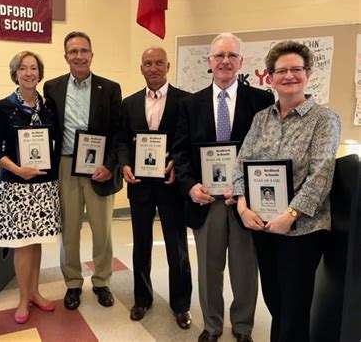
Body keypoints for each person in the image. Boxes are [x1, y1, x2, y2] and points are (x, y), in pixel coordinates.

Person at [232, 40, 340, 342]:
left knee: (294, 308)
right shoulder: (261, 118)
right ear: (270, 77)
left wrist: (291, 214)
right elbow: (241, 165)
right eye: (282, 71)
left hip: (302, 230)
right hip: (263, 225)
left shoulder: (324, 120)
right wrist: (242, 207)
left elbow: (321, 175)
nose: (289, 76)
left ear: (307, 74)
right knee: (275, 302)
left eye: (296, 69)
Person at [172, 33, 275, 342]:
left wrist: (244, 190)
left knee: (245, 269)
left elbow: (267, 151)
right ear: (210, 63)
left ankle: (243, 328)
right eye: (219, 56)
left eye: (232, 55)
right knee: (208, 269)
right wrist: (190, 186)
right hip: (205, 202)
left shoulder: (261, 100)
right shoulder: (190, 104)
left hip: (245, 202)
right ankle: (212, 325)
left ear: (241, 62)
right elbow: (179, 153)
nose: (225, 61)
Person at [43, 31, 122, 310]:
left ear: (91, 54)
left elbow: (117, 133)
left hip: (98, 167)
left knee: (103, 230)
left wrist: (110, 166)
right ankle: (73, 283)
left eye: (84, 50)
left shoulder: (110, 88)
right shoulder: (51, 88)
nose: (79, 56)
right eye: (73, 51)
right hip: (66, 165)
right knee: (70, 229)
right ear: (66, 56)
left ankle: (101, 281)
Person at [118, 46, 193, 328]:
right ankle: (142, 299)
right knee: (142, 245)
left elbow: (186, 142)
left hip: (171, 184)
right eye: (147, 63)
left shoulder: (184, 101)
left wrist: (175, 161)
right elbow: (123, 140)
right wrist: (124, 164)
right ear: (141, 68)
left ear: (168, 66)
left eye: (158, 63)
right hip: (139, 185)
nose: (153, 68)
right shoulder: (130, 103)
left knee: (177, 247)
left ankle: (181, 305)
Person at [0, 51, 62, 324]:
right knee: (22, 244)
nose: (29, 73)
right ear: (15, 73)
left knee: (37, 241)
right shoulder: (4, 106)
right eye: (23, 68)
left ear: (39, 73)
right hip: (17, 186)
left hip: (44, 185)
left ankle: (35, 292)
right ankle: (22, 299)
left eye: (33, 68)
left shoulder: (48, 107)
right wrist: (18, 169)